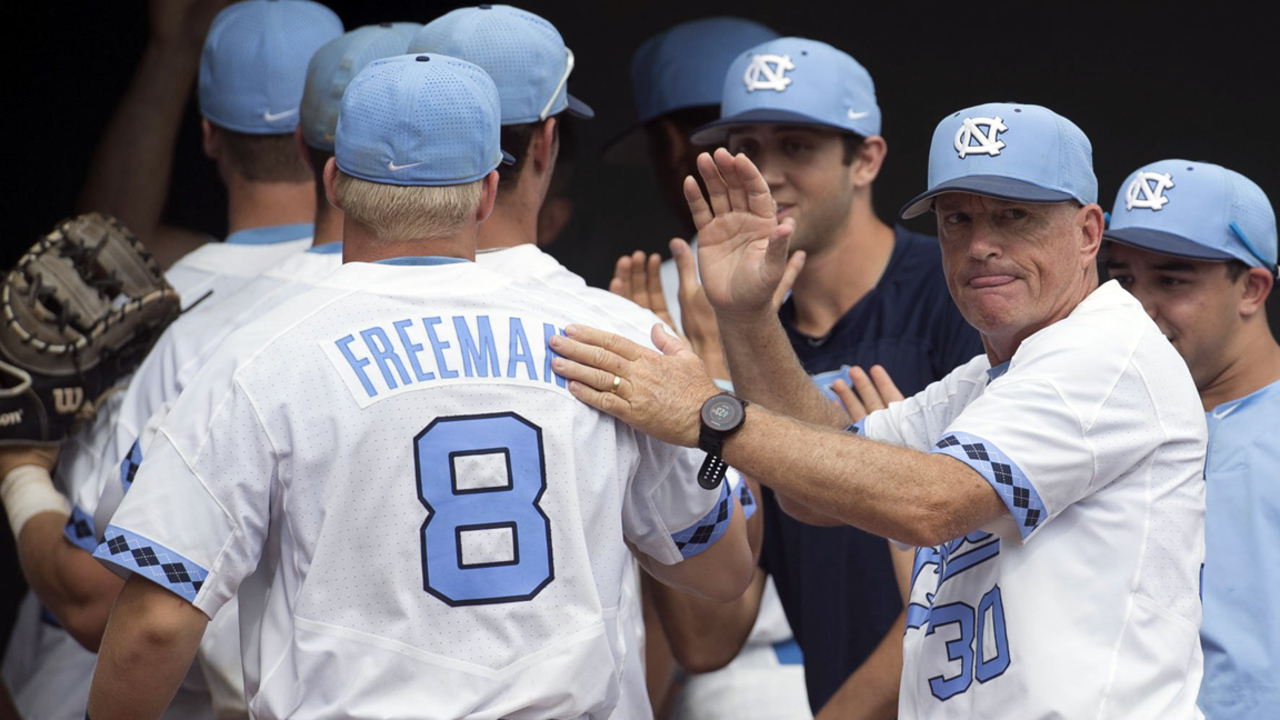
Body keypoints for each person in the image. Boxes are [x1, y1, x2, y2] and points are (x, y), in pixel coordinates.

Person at [86, 52, 753, 720]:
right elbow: (721, 575)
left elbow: (155, 626)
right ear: (488, 191)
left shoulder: (255, 354)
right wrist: (714, 408)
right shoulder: (612, 340)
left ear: (335, 184)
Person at [549, 102, 1208, 719]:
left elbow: (930, 504)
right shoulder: (989, 377)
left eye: (1014, 216)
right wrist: (747, 316)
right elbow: (818, 482)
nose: (980, 244)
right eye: (958, 219)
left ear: (1089, 231)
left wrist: (712, 415)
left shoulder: (1105, 353)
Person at [0, 3, 342, 718]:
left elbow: (94, 598)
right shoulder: (406, 299)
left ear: (210, 138)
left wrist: (18, 470)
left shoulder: (175, 321)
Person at [630, 36, 984, 719]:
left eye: (798, 146)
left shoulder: (958, 296)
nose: (770, 173)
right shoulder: (740, 331)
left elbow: (965, 578)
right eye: (750, 149)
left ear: (867, 159)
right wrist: (676, 439)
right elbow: (710, 637)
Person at [1103, 159, 1279, 720]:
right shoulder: (1098, 421)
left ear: (1251, 288)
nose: (1136, 305)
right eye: (1123, 278)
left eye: (1171, 279)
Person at [603, 17, 779, 331]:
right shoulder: (848, 272)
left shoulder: (644, 305)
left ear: (670, 144)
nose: (774, 170)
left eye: (795, 146)